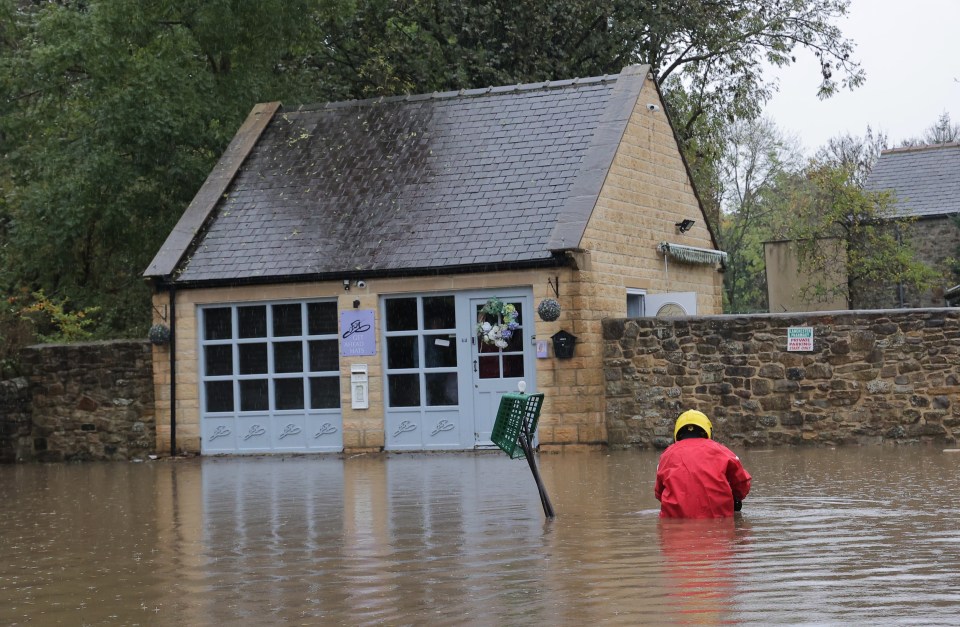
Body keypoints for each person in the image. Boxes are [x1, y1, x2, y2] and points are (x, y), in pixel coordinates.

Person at [654, 410, 751, 518]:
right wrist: (735, 498)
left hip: (674, 526)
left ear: (677, 433)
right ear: (707, 431)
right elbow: (742, 485)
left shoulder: (666, 456)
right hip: (718, 525)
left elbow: (659, 494)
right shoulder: (723, 452)